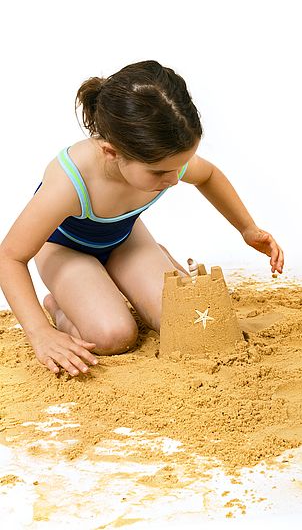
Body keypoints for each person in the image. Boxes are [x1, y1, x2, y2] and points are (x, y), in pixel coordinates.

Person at [0, 60, 284, 377]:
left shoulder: (164, 158)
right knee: (114, 336)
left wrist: (247, 228)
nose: (176, 179)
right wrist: (40, 332)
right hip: (65, 249)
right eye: (161, 172)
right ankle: (60, 306)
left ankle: (141, 264)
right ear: (111, 152)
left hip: (125, 240)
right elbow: (9, 256)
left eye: (181, 165)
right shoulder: (70, 183)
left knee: (184, 319)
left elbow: (209, 176)